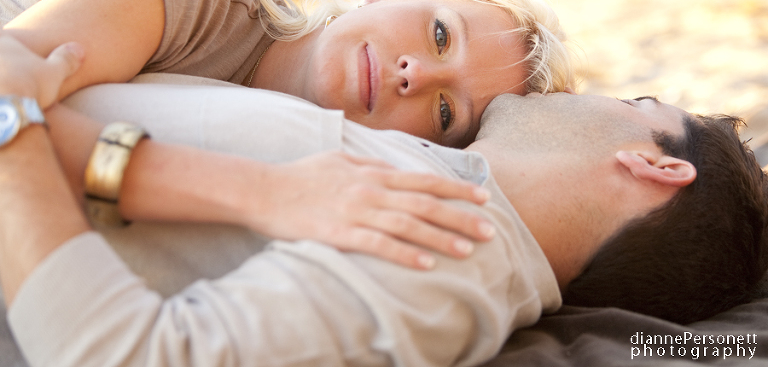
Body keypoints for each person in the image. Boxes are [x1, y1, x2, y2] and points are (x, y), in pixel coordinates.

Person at [2, 37, 765, 367]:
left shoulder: (446, 253)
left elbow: (122, 354)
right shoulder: (436, 186)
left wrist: (10, 121)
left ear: (653, 164)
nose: (587, 92)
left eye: (636, 101)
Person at [0, 0, 573, 267]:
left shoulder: (335, 190)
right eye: (441, 34)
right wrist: (261, 192)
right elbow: (7, 105)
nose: (414, 74)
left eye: (446, 111)